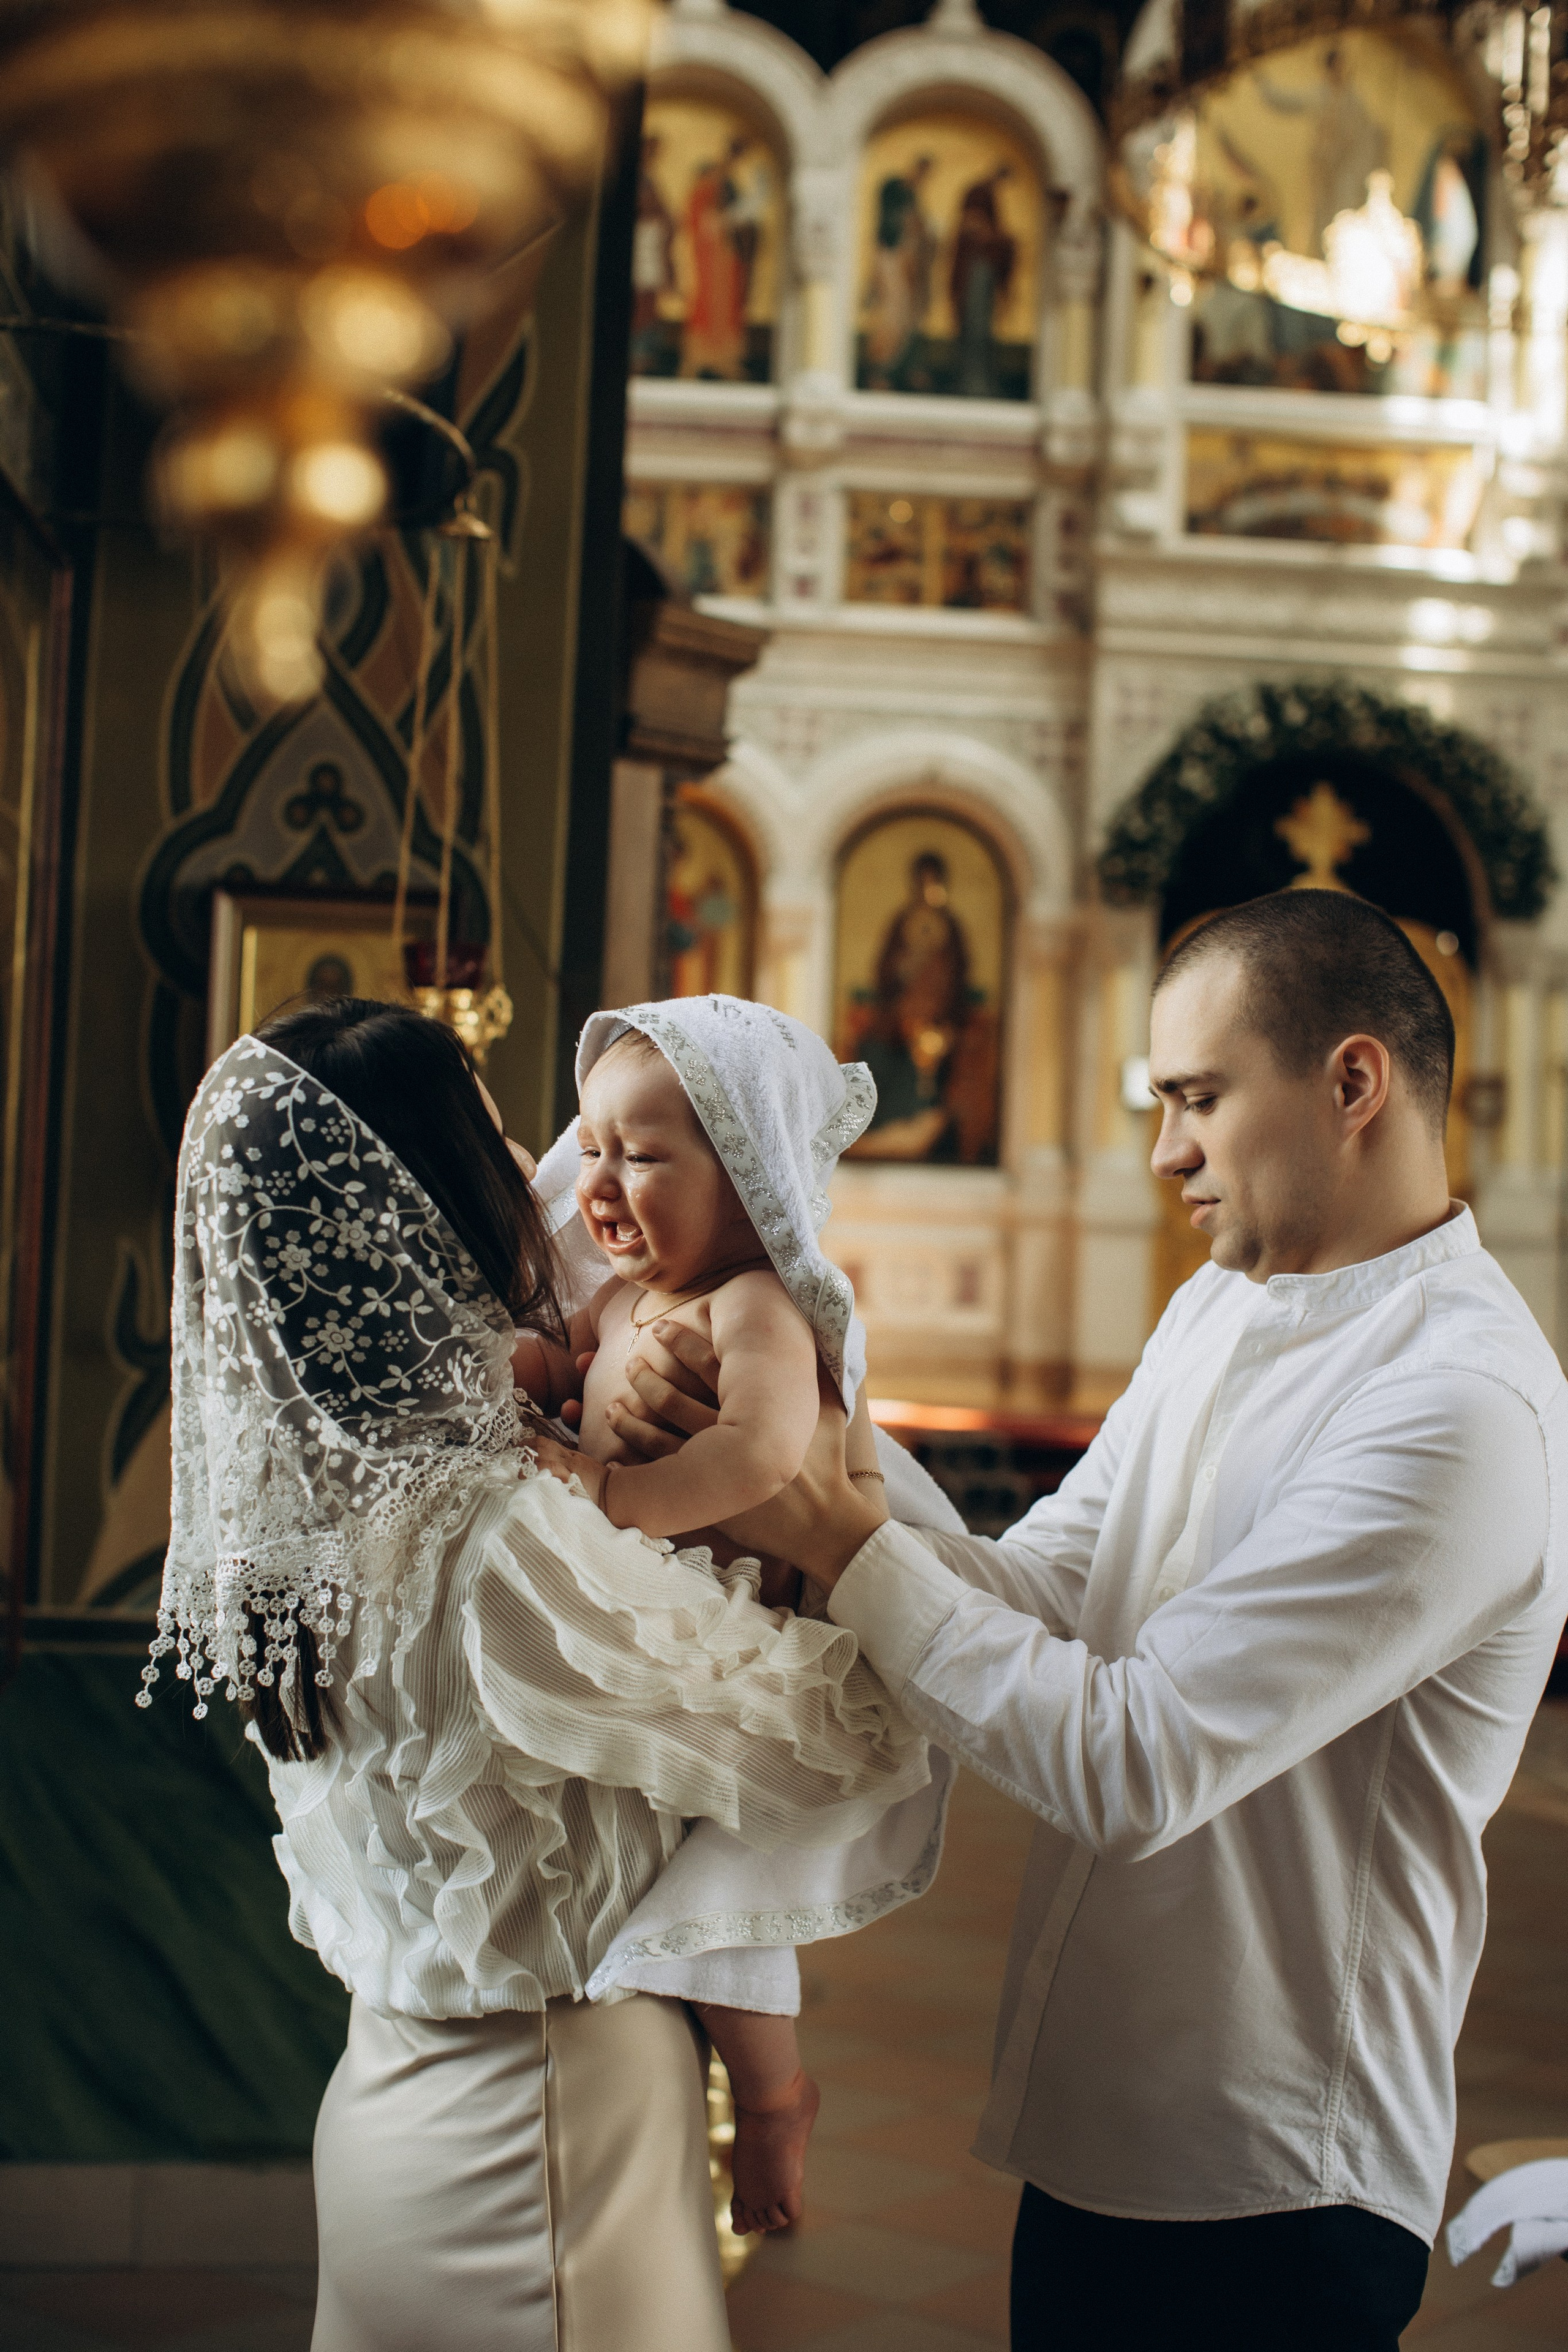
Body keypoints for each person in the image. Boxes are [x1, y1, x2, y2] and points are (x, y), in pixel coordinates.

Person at [605, 891, 1568, 2351]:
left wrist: (837, 1537)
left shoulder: (1456, 1407)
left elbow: (1137, 1762)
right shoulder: (1221, 1309)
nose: (1164, 1148)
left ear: (1351, 1083)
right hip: (1104, 2125)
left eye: (1195, 1097)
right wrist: (820, 1455)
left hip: (1270, 2184)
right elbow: (1054, 1590)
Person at [143, 995, 948, 2352]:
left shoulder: (304, 1517)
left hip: (387, 2104)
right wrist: (830, 1521)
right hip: (548, 2137)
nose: (544, 1167)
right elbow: (833, 1732)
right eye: (499, 1130)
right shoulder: (503, 1535)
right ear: (435, 1188)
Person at [512, 997, 881, 2230]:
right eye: (592, 1146)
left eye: (646, 1156)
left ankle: (773, 2096)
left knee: (723, 1908)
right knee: (633, 1889)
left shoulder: (752, 1308)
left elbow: (763, 1455)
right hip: (634, 1634)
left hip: (729, 1651)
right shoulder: (620, 1302)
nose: (603, 1184)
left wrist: (617, 1489)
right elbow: (558, 1366)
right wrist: (527, 1372)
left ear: (748, 1179)